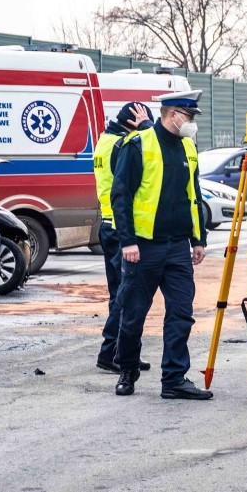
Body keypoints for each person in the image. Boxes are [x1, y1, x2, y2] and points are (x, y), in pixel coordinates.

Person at [110, 89, 213, 400]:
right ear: (172, 114)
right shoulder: (139, 145)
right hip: (143, 247)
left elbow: (192, 196)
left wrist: (199, 238)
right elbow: (121, 195)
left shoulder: (188, 148)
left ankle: (174, 379)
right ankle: (127, 369)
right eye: (189, 116)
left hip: (178, 246)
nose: (191, 122)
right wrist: (127, 240)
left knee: (181, 313)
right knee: (133, 314)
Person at [93, 102, 155, 374]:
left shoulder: (104, 141)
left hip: (108, 225)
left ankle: (122, 351)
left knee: (118, 292)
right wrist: (147, 128)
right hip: (121, 229)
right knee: (126, 295)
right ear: (132, 123)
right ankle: (111, 353)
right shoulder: (124, 145)